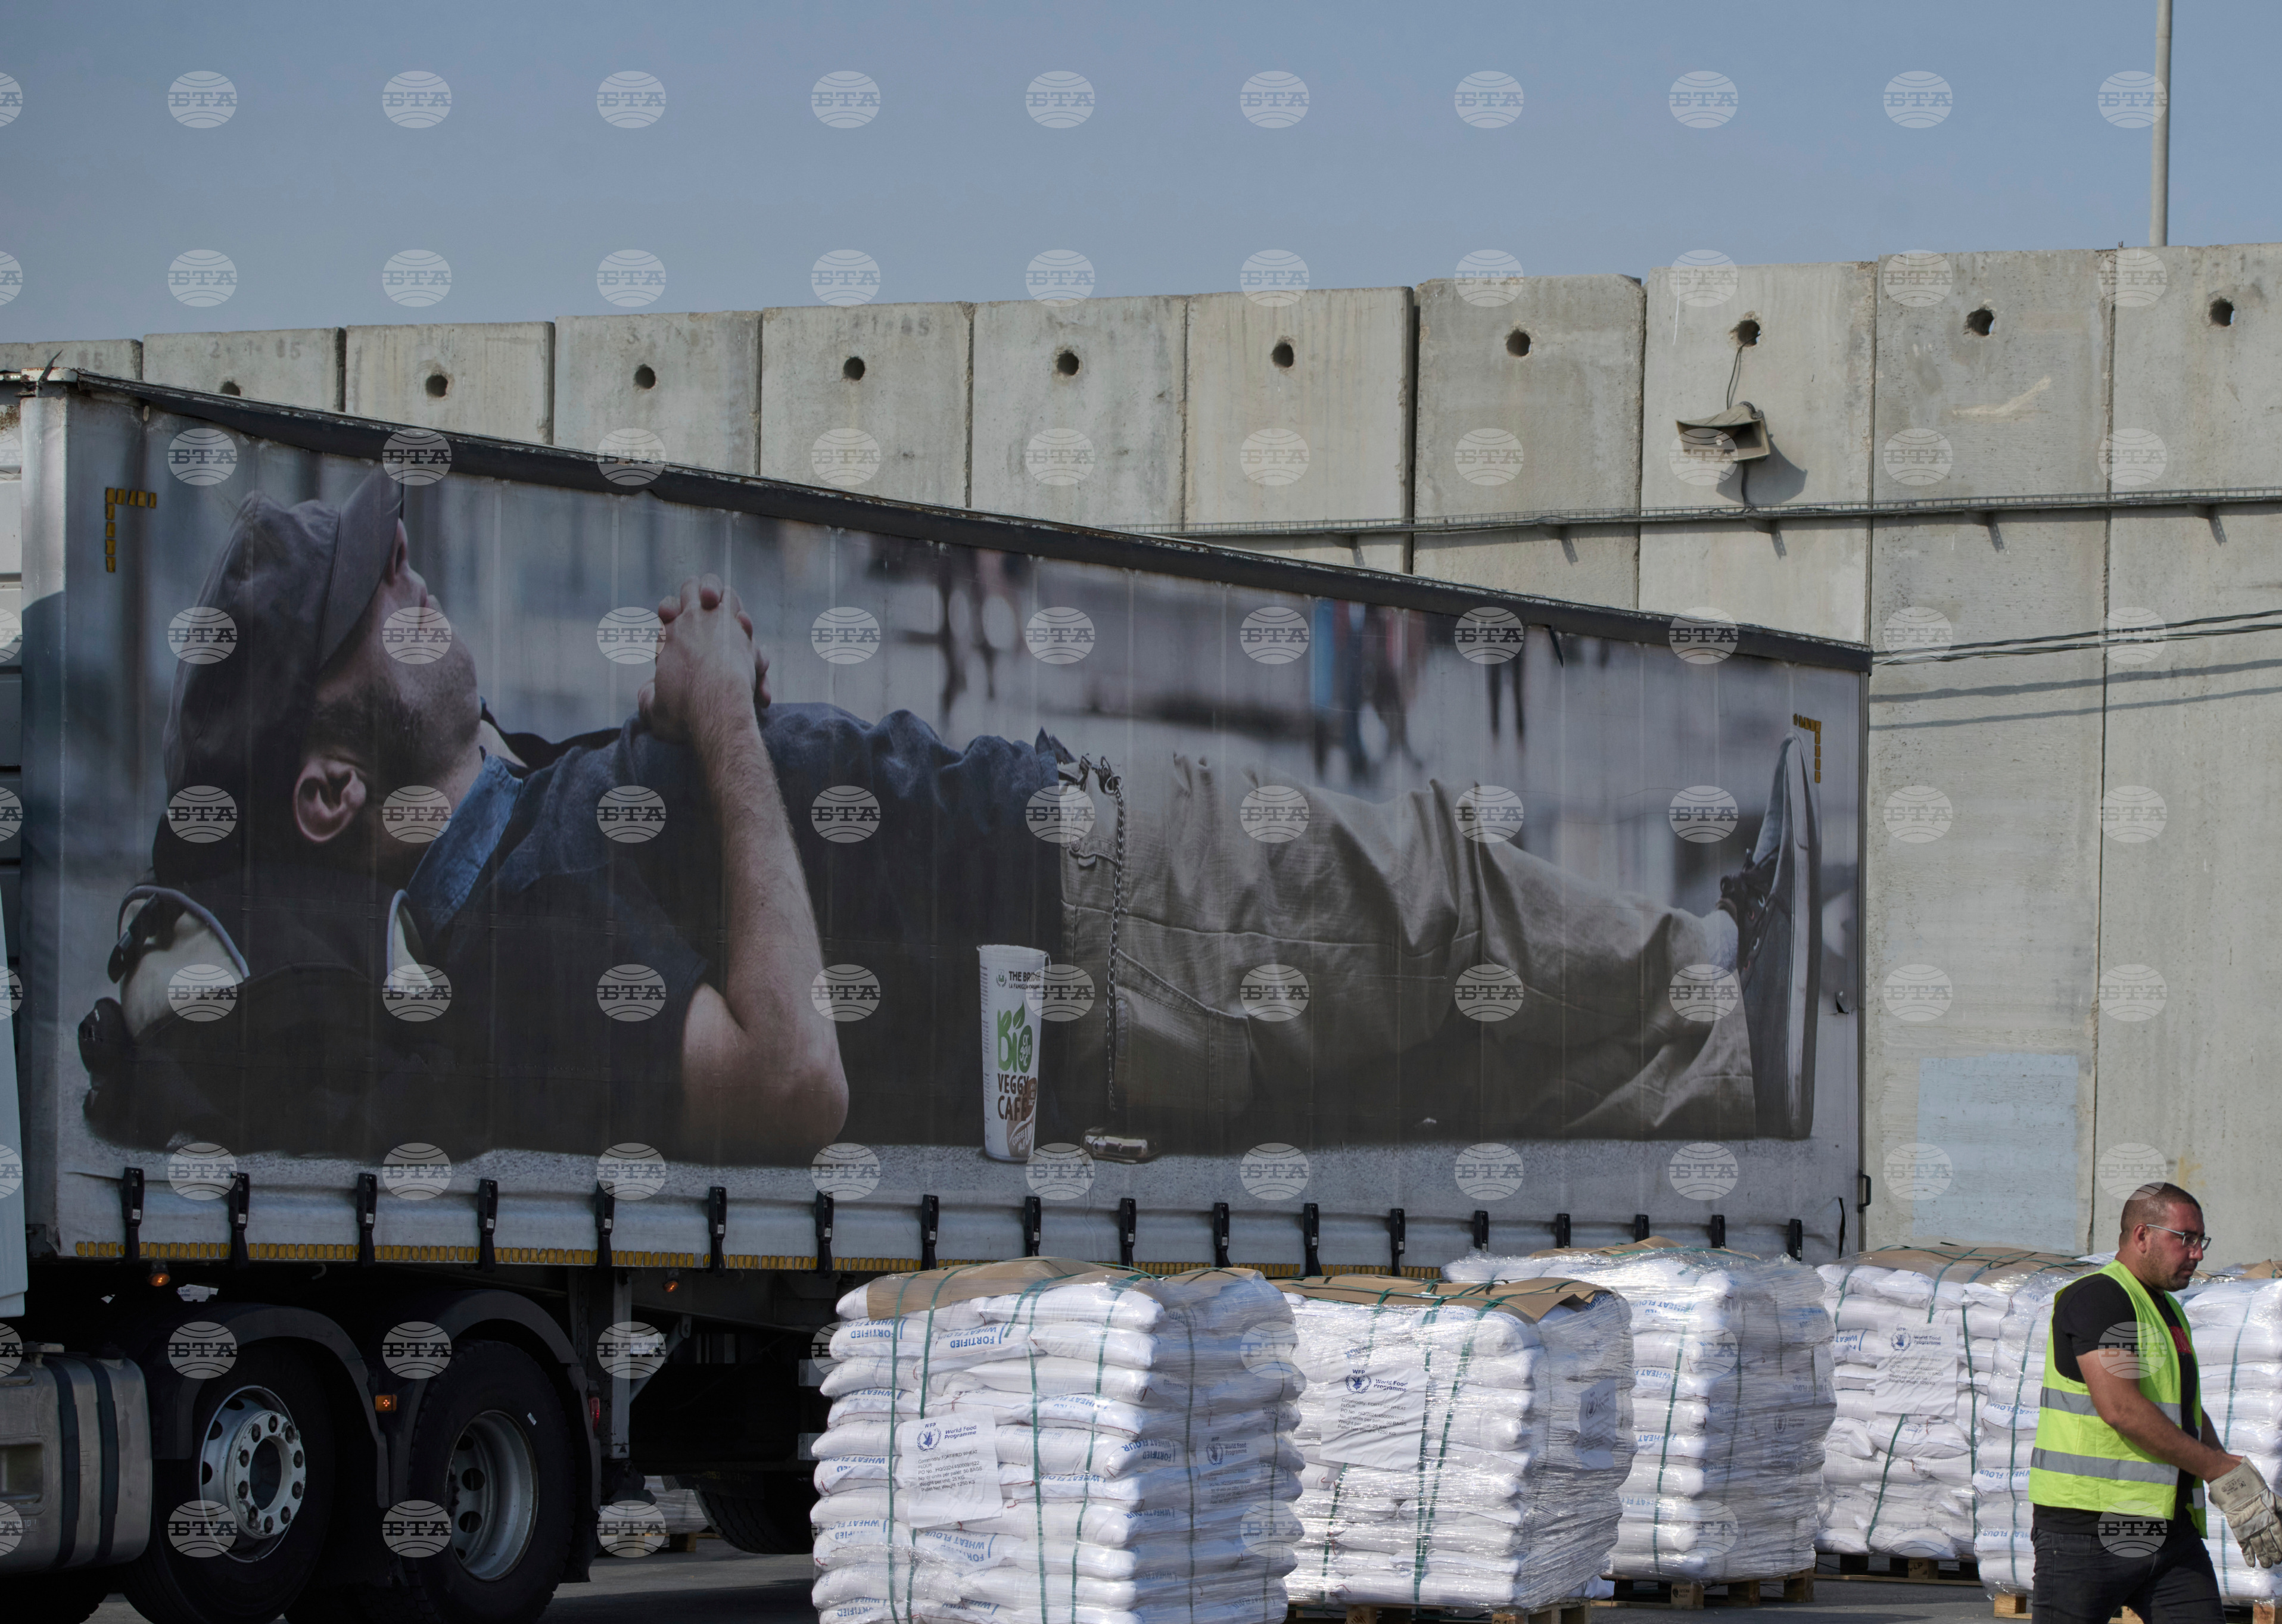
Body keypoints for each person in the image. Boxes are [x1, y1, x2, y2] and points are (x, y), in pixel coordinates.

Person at [83, 466, 1820, 1166]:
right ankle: (1730, 990)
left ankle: (1722, 1055)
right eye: (369, 603)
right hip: (1102, 914)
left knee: (1445, 1051)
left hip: (1091, 919)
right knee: (1433, 899)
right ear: (332, 784)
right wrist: (725, 730)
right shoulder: (510, 935)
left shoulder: (520, 832)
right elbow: (787, 1080)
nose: (406, 565)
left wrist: (715, 747)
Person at [1894, 1182, 2282, 1624]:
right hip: (2085, 1528)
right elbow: (2120, 1408)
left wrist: (2231, 1476)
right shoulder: (2095, 1301)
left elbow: (2178, 1412)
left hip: (2163, 1530)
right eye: (2183, 1238)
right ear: (2140, 1235)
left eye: (2200, 1240)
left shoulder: (2164, 1311)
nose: (2195, 1254)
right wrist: (2215, 1470)